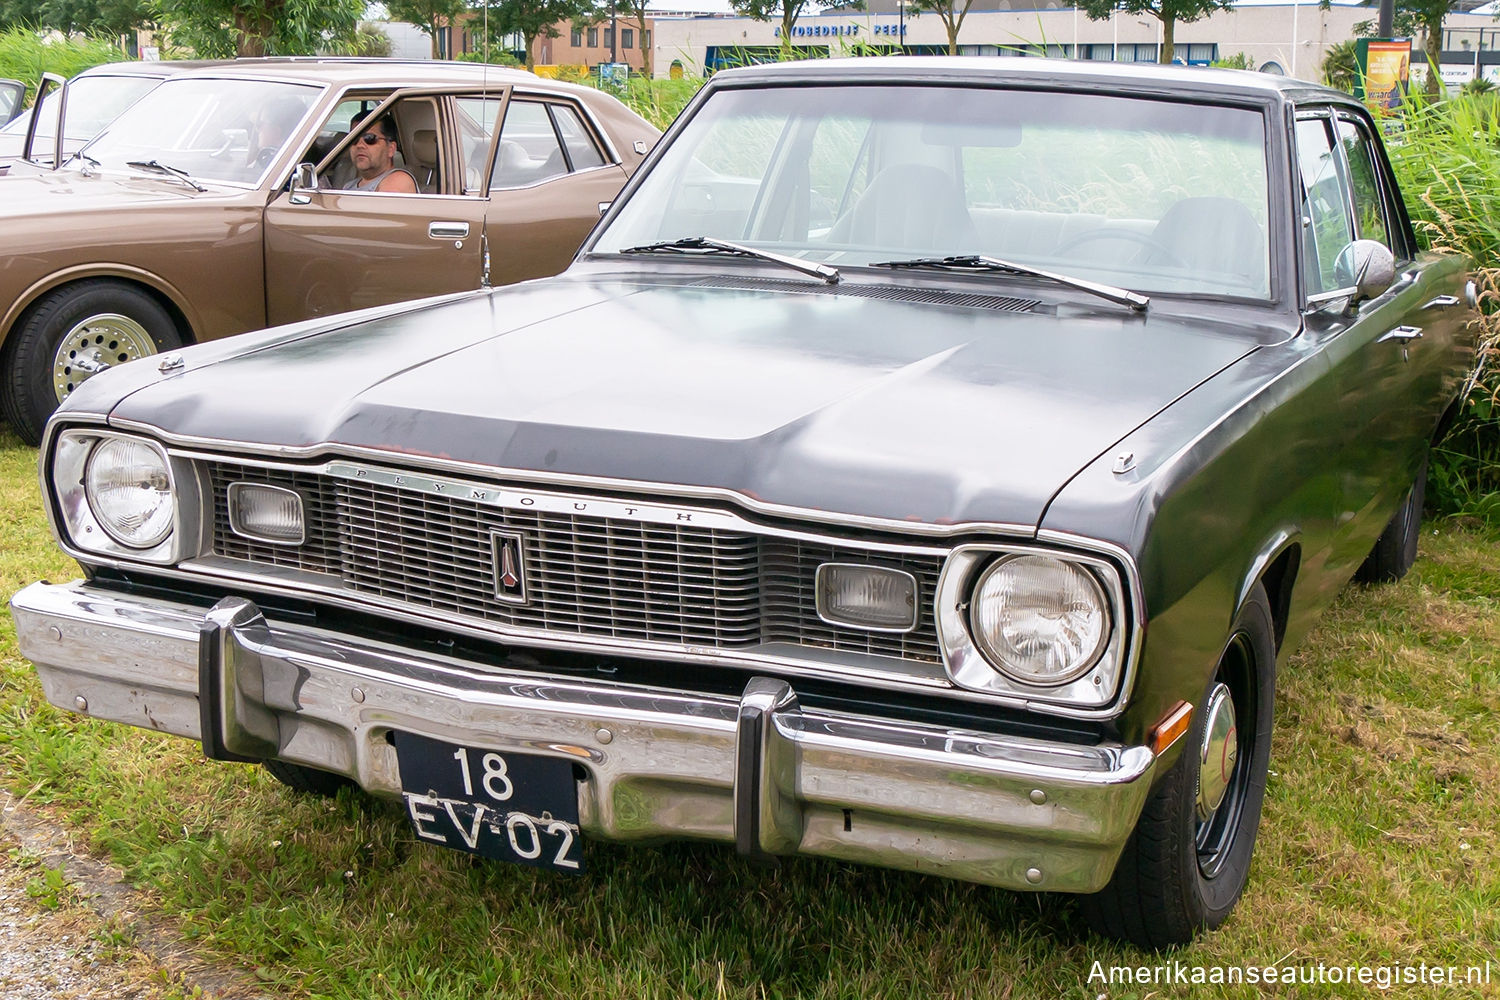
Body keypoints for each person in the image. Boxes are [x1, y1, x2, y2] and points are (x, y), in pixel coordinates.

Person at [342, 113, 418, 193]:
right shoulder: (349, 186)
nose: (360, 145)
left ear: (391, 149)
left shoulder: (399, 180)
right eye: (353, 138)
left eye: (370, 138)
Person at [247, 96, 307, 173]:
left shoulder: (293, 170)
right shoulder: (267, 159)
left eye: (261, 123)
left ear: (277, 129)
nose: (257, 128)